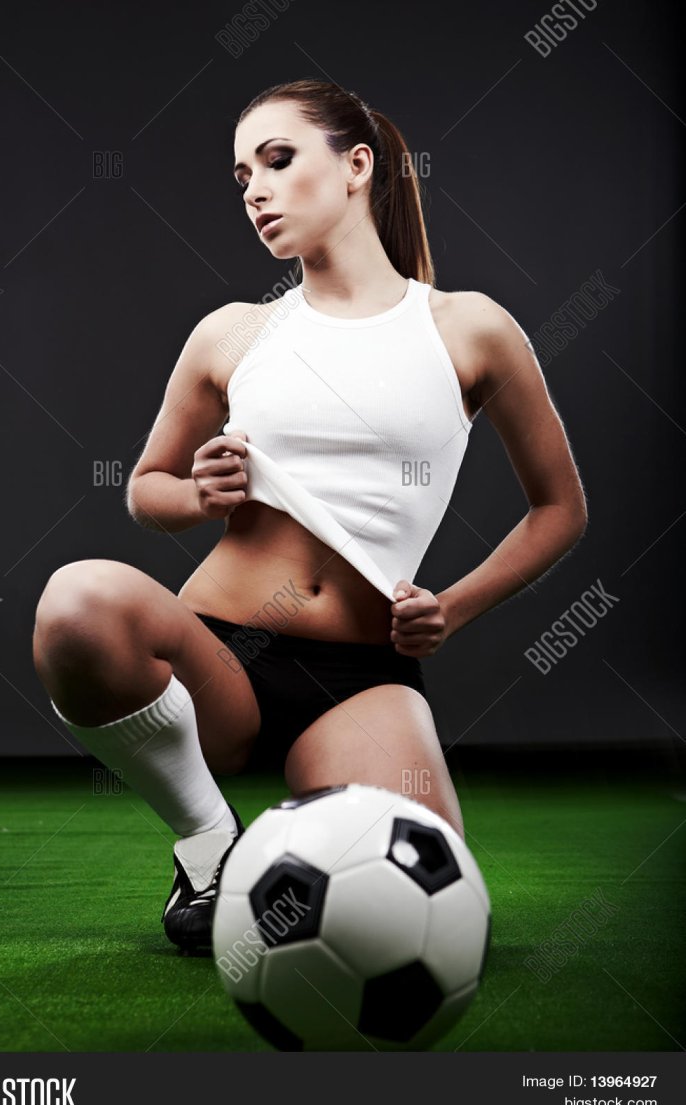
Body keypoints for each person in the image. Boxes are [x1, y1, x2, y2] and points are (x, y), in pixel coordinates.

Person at [32, 80, 588, 956]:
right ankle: (209, 843)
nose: (254, 188)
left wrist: (457, 606)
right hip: (223, 656)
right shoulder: (233, 333)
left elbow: (561, 509)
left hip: (361, 679)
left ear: (357, 165)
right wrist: (198, 494)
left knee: (420, 915)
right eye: (243, 173)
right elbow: (146, 487)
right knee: (75, 602)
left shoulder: (468, 329)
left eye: (279, 160)